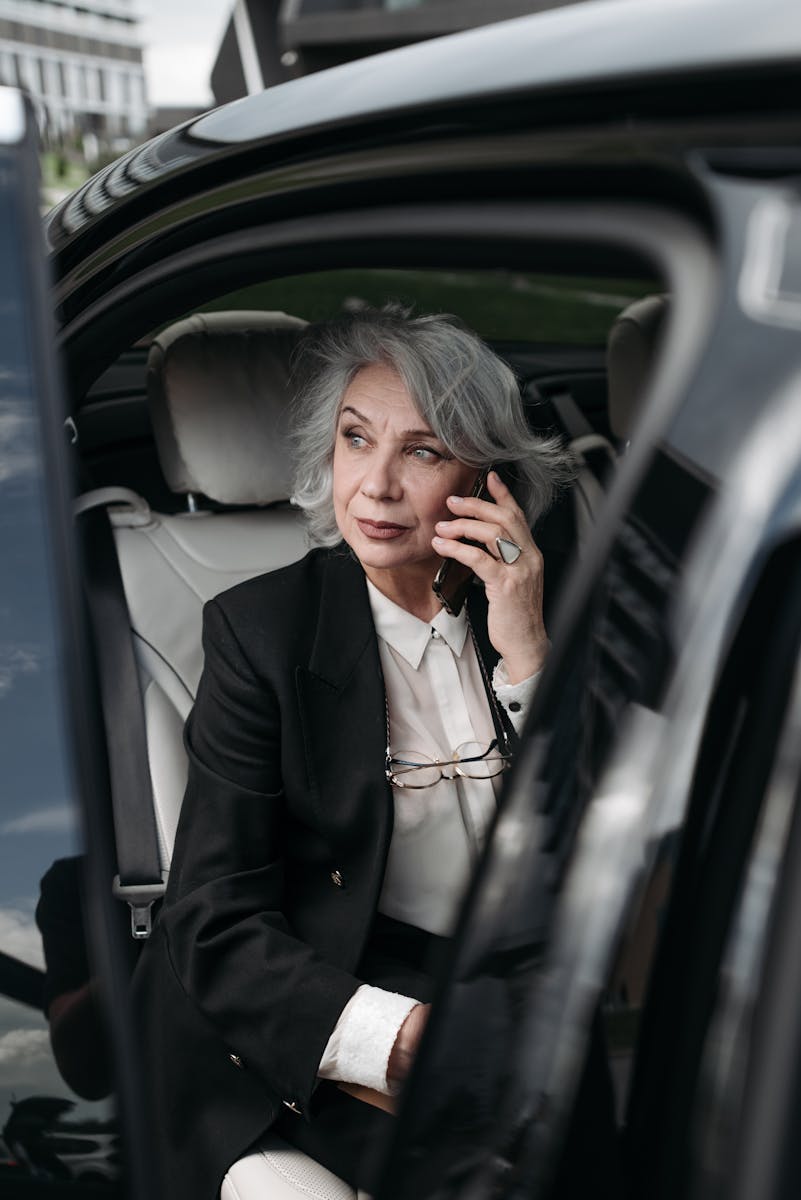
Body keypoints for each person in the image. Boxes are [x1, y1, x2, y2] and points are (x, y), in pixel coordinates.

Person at [132, 304, 574, 1200]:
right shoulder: (261, 631)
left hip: (498, 1005)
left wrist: (527, 649)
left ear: (485, 478)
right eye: (355, 439)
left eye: (419, 451)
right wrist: (394, 1035)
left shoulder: (531, 604)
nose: (372, 486)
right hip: (299, 1011)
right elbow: (210, 915)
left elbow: (597, 846)